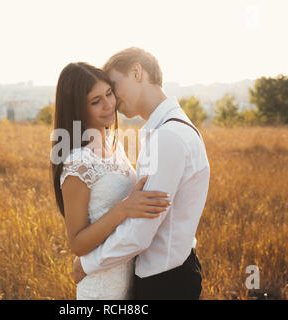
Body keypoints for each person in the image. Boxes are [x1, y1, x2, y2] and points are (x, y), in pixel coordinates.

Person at [72, 47, 211, 300]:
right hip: (171, 273)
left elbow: (141, 232)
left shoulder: (167, 137)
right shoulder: (172, 128)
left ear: (137, 71)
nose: (112, 100)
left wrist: (86, 264)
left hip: (165, 283)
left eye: (113, 86)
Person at [51, 62, 170, 299]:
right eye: (96, 101)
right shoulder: (78, 162)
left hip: (131, 280)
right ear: (77, 109)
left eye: (109, 94)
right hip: (101, 289)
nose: (109, 105)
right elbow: (77, 243)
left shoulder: (112, 145)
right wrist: (123, 209)